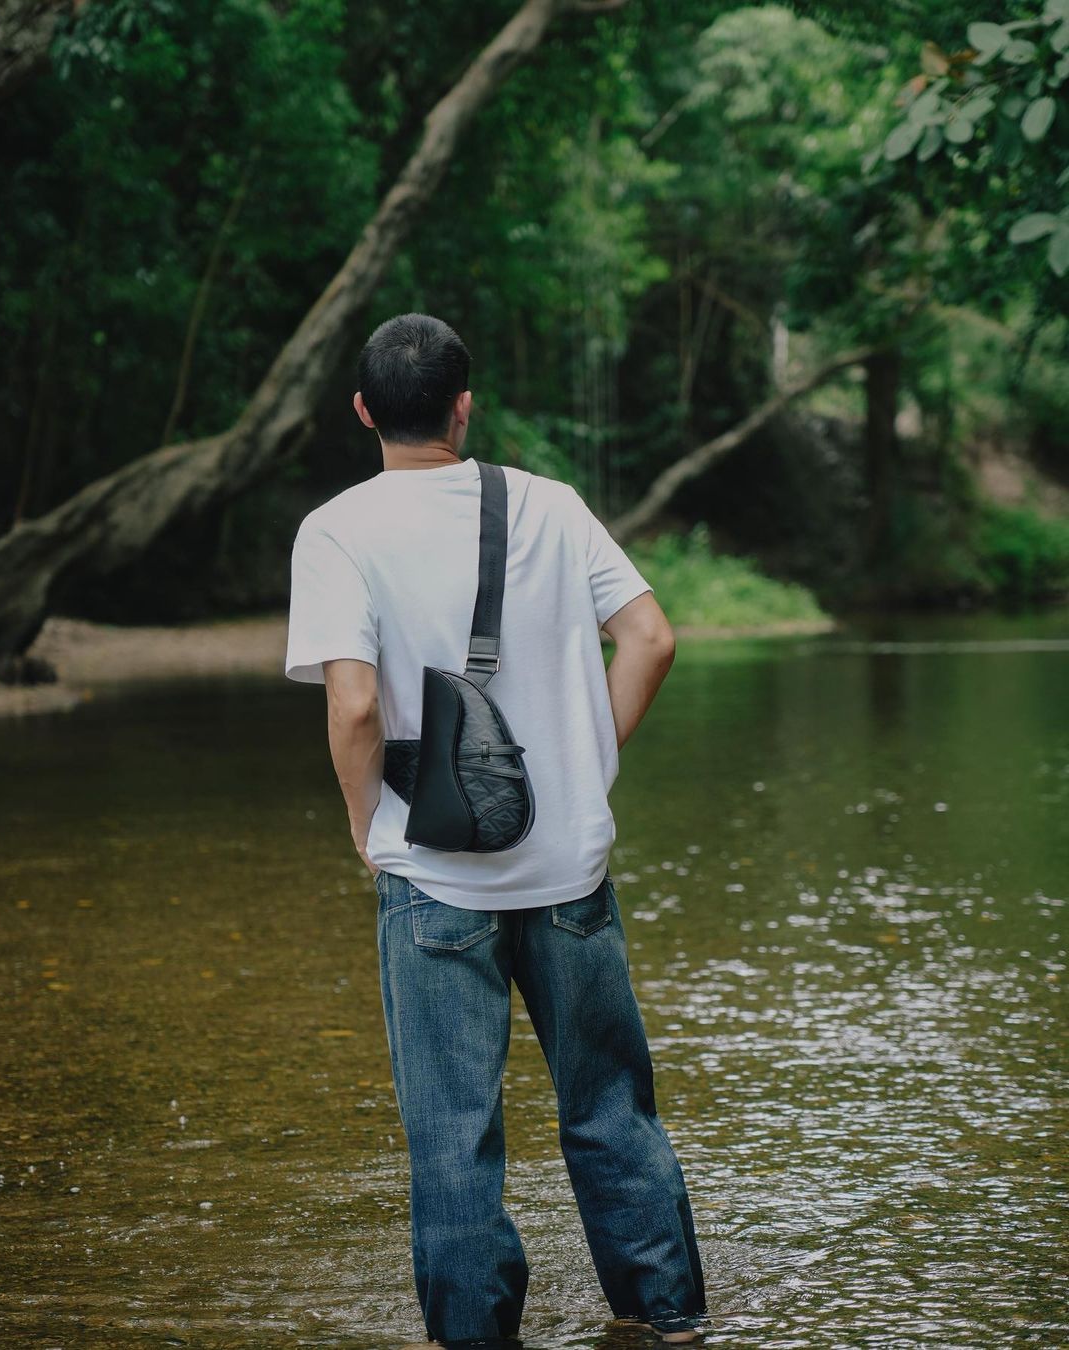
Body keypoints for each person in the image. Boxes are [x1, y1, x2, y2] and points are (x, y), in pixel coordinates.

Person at [284, 313, 707, 1347]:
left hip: (434, 884)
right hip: (569, 872)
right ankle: (670, 1320)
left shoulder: (338, 529)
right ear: (464, 406)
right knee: (612, 1114)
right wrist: (584, 766)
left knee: (453, 1139)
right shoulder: (550, 506)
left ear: (363, 411)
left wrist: (368, 829)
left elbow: (353, 708)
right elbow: (650, 638)